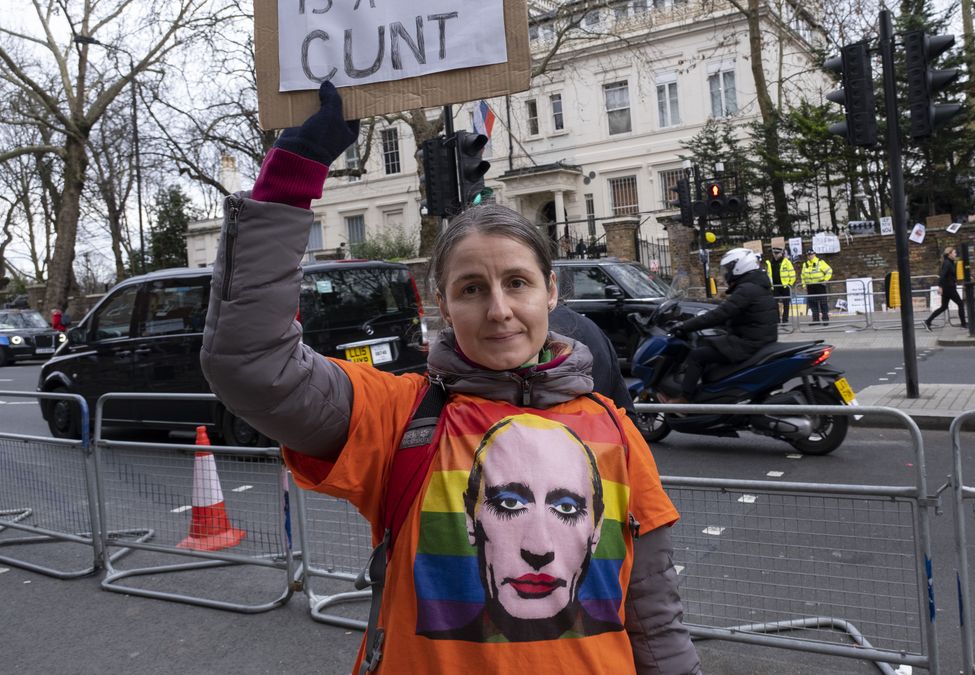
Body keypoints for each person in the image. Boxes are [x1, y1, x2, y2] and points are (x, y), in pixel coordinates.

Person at [199, 82, 699, 675]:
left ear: (551, 291)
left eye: (517, 282)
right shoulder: (396, 419)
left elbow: (654, 621)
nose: (498, 310)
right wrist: (292, 177)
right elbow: (251, 363)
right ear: (442, 303)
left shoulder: (618, 432)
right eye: (471, 289)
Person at [419, 414, 622, 642]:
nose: (538, 549)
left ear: (596, 528)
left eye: (566, 508)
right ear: (471, 519)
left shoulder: (622, 432)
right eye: (510, 504)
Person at [667, 248, 777, 401]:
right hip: (760, 339)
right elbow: (740, 315)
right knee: (712, 344)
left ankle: (685, 400)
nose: (725, 273)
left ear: (739, 267)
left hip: (748, 343)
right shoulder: (757, 285)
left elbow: (719, 315)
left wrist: (684, 326)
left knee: (697, 355)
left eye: (728, 269)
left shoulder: (746, 289)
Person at [550, 271, 634, 410]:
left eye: (517, 284)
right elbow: (623, 409)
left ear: (552, 286)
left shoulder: (584, 328)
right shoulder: (588, 327)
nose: (501, 311)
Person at [923, 246, 966, 331]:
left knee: (944, 307)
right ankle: (963, 325)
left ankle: (927, 321)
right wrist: (940, 287)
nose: (955, 254)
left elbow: (951, 275)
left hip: (948, 287)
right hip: (949, 288)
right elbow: (942, 276)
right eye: (954, 253)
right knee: (960, 304)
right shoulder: (947, 263)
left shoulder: (951, 262)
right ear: (949, 254)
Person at [763, 247, 796, 324]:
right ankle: (777, 319)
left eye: (778, 253)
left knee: (786, 303)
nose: (776, 255)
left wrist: (789, 284)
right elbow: (768, 275)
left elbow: (792, 274)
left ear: (781, 254)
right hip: (774, 286)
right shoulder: (770, 262)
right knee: (774, 303)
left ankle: (785, 319)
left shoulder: (786, 262)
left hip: (785, 286)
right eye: (775, 253)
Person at [800, 249, 833, 325]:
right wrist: (804, 285)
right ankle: (816, 320)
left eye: (811, 254)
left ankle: (825, 320)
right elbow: (802, 276)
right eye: (808, 255)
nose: (810, 256)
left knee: (823, 303)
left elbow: (829, 270)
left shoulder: (820, 262)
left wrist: (825, 280)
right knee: (813, 304)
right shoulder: (805, 264)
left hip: (820, 285)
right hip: (810, 286)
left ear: (814, 254)